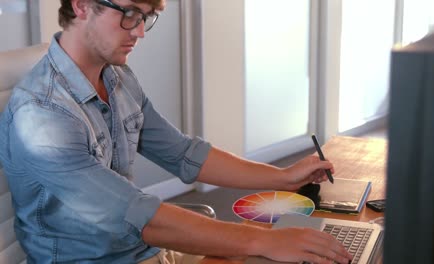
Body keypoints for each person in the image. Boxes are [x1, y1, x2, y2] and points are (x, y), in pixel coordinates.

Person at [0, 0, 353, 263]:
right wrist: (260, 241)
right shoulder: (41, 115)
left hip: (143, 249)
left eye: (145, 18)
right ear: (81, 6)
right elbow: (131, 212)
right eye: (130, 15)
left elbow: (184, 154)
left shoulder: (117, 78)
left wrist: (283, 177)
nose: (139, 32)